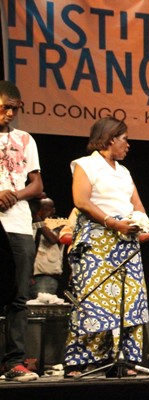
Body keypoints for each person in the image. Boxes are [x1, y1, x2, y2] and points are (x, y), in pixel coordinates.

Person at [63, 116, 149, 378]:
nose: (128, 145)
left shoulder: (124, 172)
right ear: (111, 139)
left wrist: (140, 222)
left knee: (130, 299)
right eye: (124, 139)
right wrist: (113, 223)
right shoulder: (86, 165)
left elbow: (138, 205)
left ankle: (124, 360)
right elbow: (81, 200)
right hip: (99, 237)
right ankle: (81, 361)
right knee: (94, 298)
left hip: (127, 240)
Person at [0, 80, 44, 382]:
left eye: (15, 109)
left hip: (17, 224)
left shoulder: (25, 139)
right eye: (5, 107)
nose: (10, 113)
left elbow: (37, 185)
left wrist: (14, 194)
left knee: (18, 296)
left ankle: (14, 362)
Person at [30, 197, 66, 298]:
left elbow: (52, 239)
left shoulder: (60, 224)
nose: (41, 212)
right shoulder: (31, 223)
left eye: (45, 209)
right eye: (39, 209)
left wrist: (37, 218)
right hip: (26, 276)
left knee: (41, 309)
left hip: (46, 276)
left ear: (53, 210)